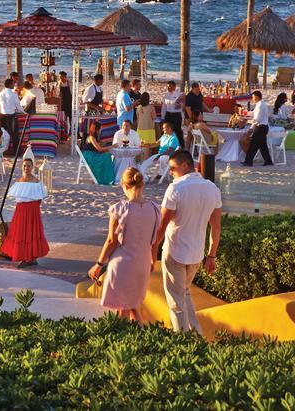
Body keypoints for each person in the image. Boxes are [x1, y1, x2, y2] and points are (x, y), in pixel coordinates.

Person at [152, 150, 222, 334]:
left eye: (173, 168)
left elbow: (161, 225)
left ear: (185, 166)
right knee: (185, 293)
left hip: (175, 250)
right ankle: (196, 335)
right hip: (196, 254)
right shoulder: (212, 188)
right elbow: (216, 229)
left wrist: (151, 252)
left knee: (176, 301)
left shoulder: (176, 189)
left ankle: (183, 343)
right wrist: (211, 255)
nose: (171, 173)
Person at [88, 167, 160, 321]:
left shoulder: (120, 209)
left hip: (123, 264)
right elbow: (154, 241)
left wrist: (99, 264)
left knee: (123, 312)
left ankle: (124, 341)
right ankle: (143, 338)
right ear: (142, 185)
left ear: (124, 186)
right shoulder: (155, 209)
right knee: (133, 306)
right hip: (143, 263)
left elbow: (111, 240)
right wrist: (153, 260)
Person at [1, 158, 49, 268]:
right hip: (21, 210)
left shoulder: (36, 182)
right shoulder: (19, 181)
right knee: (21, 232)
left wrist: (33, 209)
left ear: (32, 167)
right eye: (24, 166)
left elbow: (39, 198)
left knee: (31, 232)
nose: (26, 168)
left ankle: (31, 257)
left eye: (28, 166)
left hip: (32, 210)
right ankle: (25, 257)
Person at [242, 90, 273, 166]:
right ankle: (268, 161)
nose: (252, 99)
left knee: (253, 145)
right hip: (263, 127)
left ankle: (248, 161)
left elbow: (257, 119)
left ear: (256, 97)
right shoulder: (261, 104)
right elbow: (254, 114)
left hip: (260, 127)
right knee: (263, 146)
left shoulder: (260, 105)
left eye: (253, 97)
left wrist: (249, 123)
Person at [81, 121, 115, 185]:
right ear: (96, 129)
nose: (100, 130)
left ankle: (106, 178)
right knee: (107, 157)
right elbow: (99, 149)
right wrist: (112, 146)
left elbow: (97, 146)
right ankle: (103, 179)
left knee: (107, 155)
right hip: (90, 156)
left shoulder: (94, 137)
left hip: (93, 154)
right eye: (100, 129)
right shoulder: (91, 137)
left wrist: (106, 142)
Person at [0, 79, 23, 149]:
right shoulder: (13, 94)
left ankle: (3, 151)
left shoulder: (0, 94)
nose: (14, 85)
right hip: (12, 117)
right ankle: (16, 152)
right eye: (13, 83)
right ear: (10, 85)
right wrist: (24, 111)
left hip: (2, 116)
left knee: (3, 134)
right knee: (14, 136)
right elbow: (18, 106)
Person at [162, 81, 185, 149]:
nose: (168, 88)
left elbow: (182, 105)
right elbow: (164, 107)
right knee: (166, 130)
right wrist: (163, 117)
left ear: (174, 86)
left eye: (170, 86)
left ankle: (181, 146)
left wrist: (179, 104)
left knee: (178, 130)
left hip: (177, 115)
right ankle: (166, 145)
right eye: (167, 86)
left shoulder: (179, 94)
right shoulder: (166, 95)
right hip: (168, 114)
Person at [57, 71, 72, 139]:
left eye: (62, 77)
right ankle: (64, 133)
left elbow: (72, 94)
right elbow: (58, 94)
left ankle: (73, 132)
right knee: (63, 119)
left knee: (71, 118)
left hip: (69, 103)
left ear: (65, 77)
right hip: (62, 103)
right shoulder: (59, 83)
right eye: (60, 77)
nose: (61, 79)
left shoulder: (70, 83)